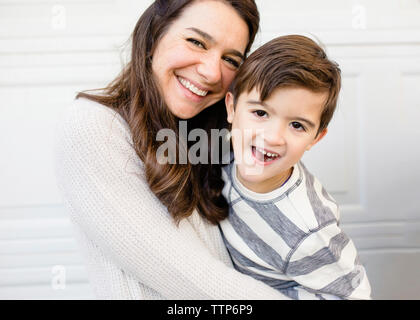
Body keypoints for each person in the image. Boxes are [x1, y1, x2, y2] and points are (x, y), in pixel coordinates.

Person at [54, 0, 296, 300]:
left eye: (231, 60)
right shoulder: (93, 125)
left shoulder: (209, 134)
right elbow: (192, 281)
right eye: (196, 41)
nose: (211, 72)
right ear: (154, 34)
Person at [219, 35, 372, 299]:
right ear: (232, 108)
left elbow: (353, 295)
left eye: (297, 125)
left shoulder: (309, 230)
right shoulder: (224, 152)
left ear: (316, 138)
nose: (273, 137)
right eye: (260, 113)